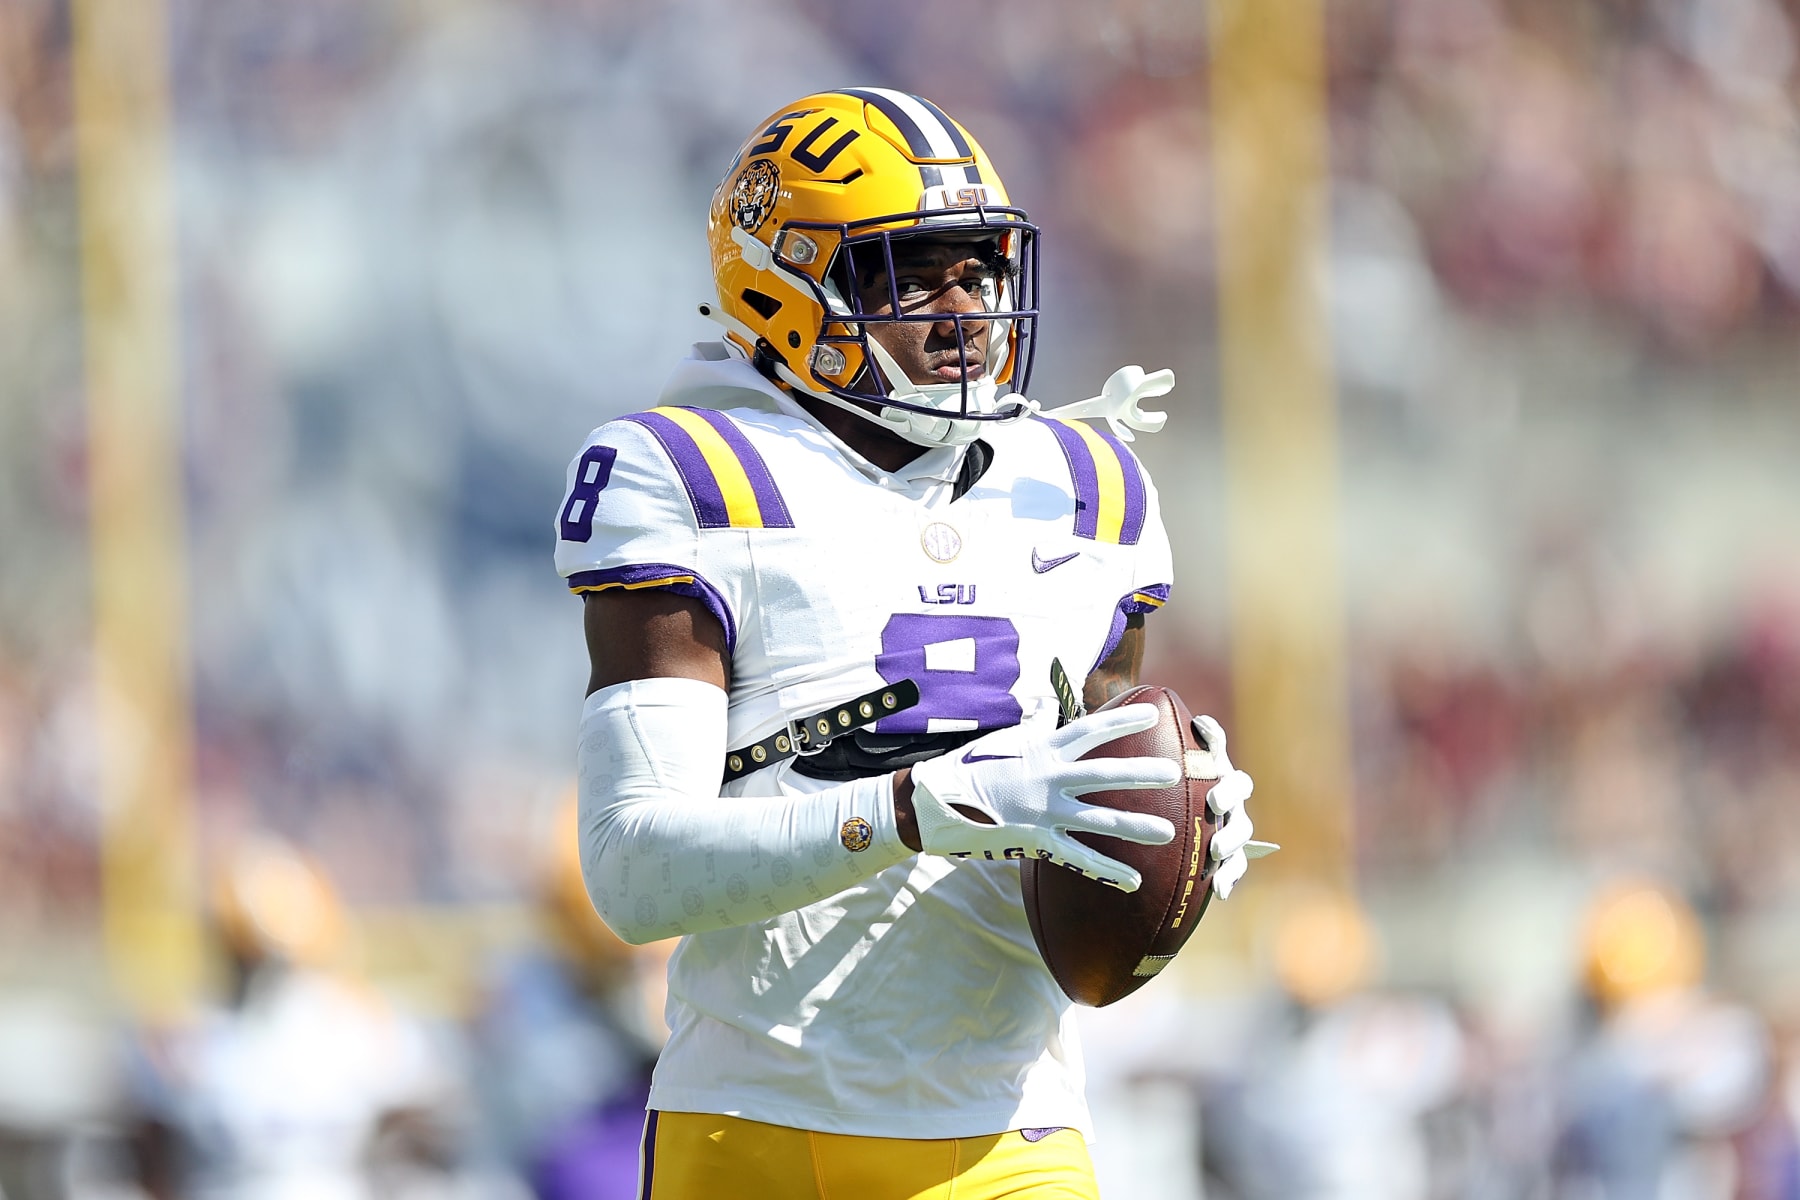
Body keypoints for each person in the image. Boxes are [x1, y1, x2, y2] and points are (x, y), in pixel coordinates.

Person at [554, 87, 1266, 1199]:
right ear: (785, 282)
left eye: (979, 271)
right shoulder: (689, 473)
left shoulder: (1087, 489)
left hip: (1012, 1132)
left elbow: (1081, 818)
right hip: (762, 1119)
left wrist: (1172, 830)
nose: (965, 311)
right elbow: (637, 872)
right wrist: (914, 810)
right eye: (911, 272)